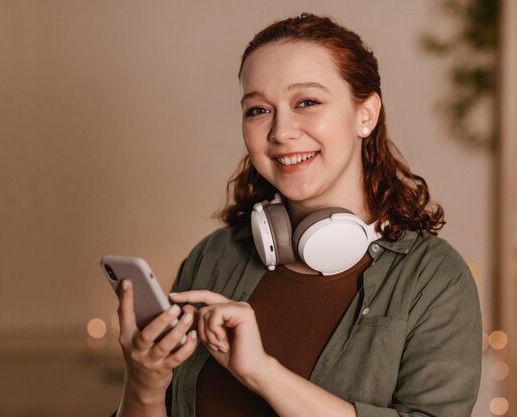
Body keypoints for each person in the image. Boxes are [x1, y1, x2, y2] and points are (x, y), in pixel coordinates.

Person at [113, 12, 482, 417]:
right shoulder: (215, 257)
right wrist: (145, 387)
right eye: (258, 110)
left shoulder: (434, 278)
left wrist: (264, 374)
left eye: (307, 102)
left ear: (366, 114)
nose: (281, 132)